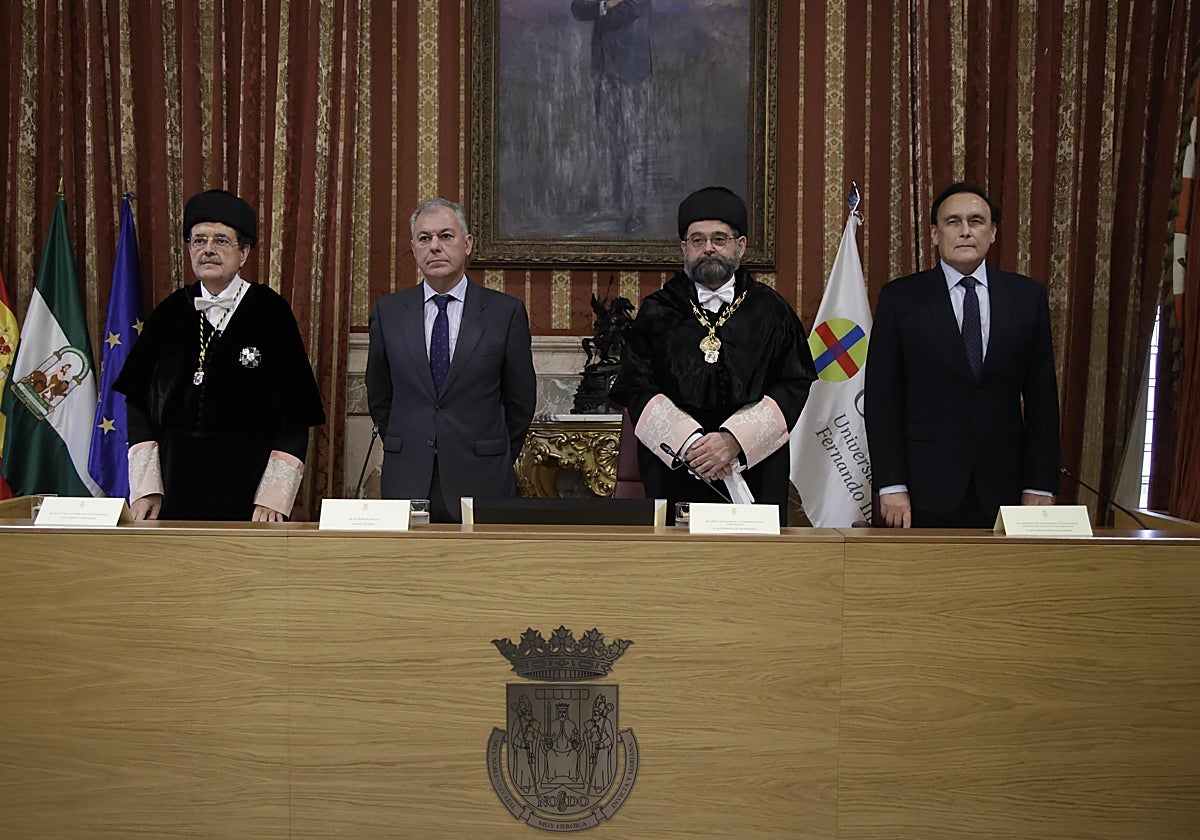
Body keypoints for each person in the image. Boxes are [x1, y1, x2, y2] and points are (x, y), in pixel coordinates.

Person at [114, 188, 325, 521]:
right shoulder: (169, 313)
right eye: (199, 240)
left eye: (221, 241)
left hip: (250, 490)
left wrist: (274, 497)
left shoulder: (271, 312)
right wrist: (146, 489)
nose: (208, 249)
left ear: (244, 253)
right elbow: (137, 403)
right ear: (188, 249)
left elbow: (297, 413)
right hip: (175, 487)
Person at [609, 186, 816, 524]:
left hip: (753, 469)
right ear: (684, 248)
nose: (708, 248)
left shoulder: (772, 311)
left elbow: (793, 384)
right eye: (697, 240)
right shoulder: (657, 311)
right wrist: (691, 445)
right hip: (676, 468)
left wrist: (733, 441)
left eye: (719, 239)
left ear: (740, 245)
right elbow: (636, 387)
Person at [864, 181, 1060, 528]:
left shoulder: (1027, 298)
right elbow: (882, 399)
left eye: (976, 221)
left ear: (993, 232)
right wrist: (891, 484)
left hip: (1005, 484)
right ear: (935, 234)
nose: (965, 231)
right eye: (953, 222)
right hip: (923, 486)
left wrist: (1039, 484)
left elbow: (1042, 399)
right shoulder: (901, 298)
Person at [366, 198, 536, 523]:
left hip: (482, 477)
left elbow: (520, 401)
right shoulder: (388, 313)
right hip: (408, 475)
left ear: (467, 243)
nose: (435, 247)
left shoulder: (504, 313)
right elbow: (380, 395)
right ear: (414, 248)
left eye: (445, 236)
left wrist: (495, 452)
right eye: (424, 238)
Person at [570, 0, 652, 234]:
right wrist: (607, 4)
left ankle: (635, 212)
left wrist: (599, 6)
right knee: (607, 141)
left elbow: (630, 9)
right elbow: (578, 8)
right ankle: (610, 205)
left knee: (633, 143)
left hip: (631, 68)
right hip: (603, 67)